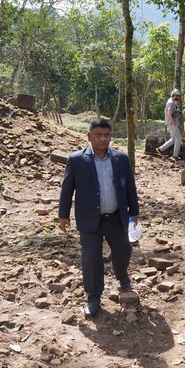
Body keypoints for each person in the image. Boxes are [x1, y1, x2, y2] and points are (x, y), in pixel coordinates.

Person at [58, 118, 140, 318]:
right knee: (91, 257)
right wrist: (63, 215)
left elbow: (130, 186)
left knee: (124, 250)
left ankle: (122, 277)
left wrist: (134, 211)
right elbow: (67, 189)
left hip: (115, 217)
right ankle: (93, 296)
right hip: (89, 218)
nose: (103, 139)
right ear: (89, 136)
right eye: (98, 135)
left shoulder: (121, 159)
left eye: (106, 135)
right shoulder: (77, 160)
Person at [156, 89, 182, 161]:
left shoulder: (172, 101)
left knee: (173, 139)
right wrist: (174, 125)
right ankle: (175, 156)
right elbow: (169, 115)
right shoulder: (170, 103)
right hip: (172, 123)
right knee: (179, 138)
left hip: (172, 123)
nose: (178, 97)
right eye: (177, 96)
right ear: (174, 95)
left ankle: (160, 149)